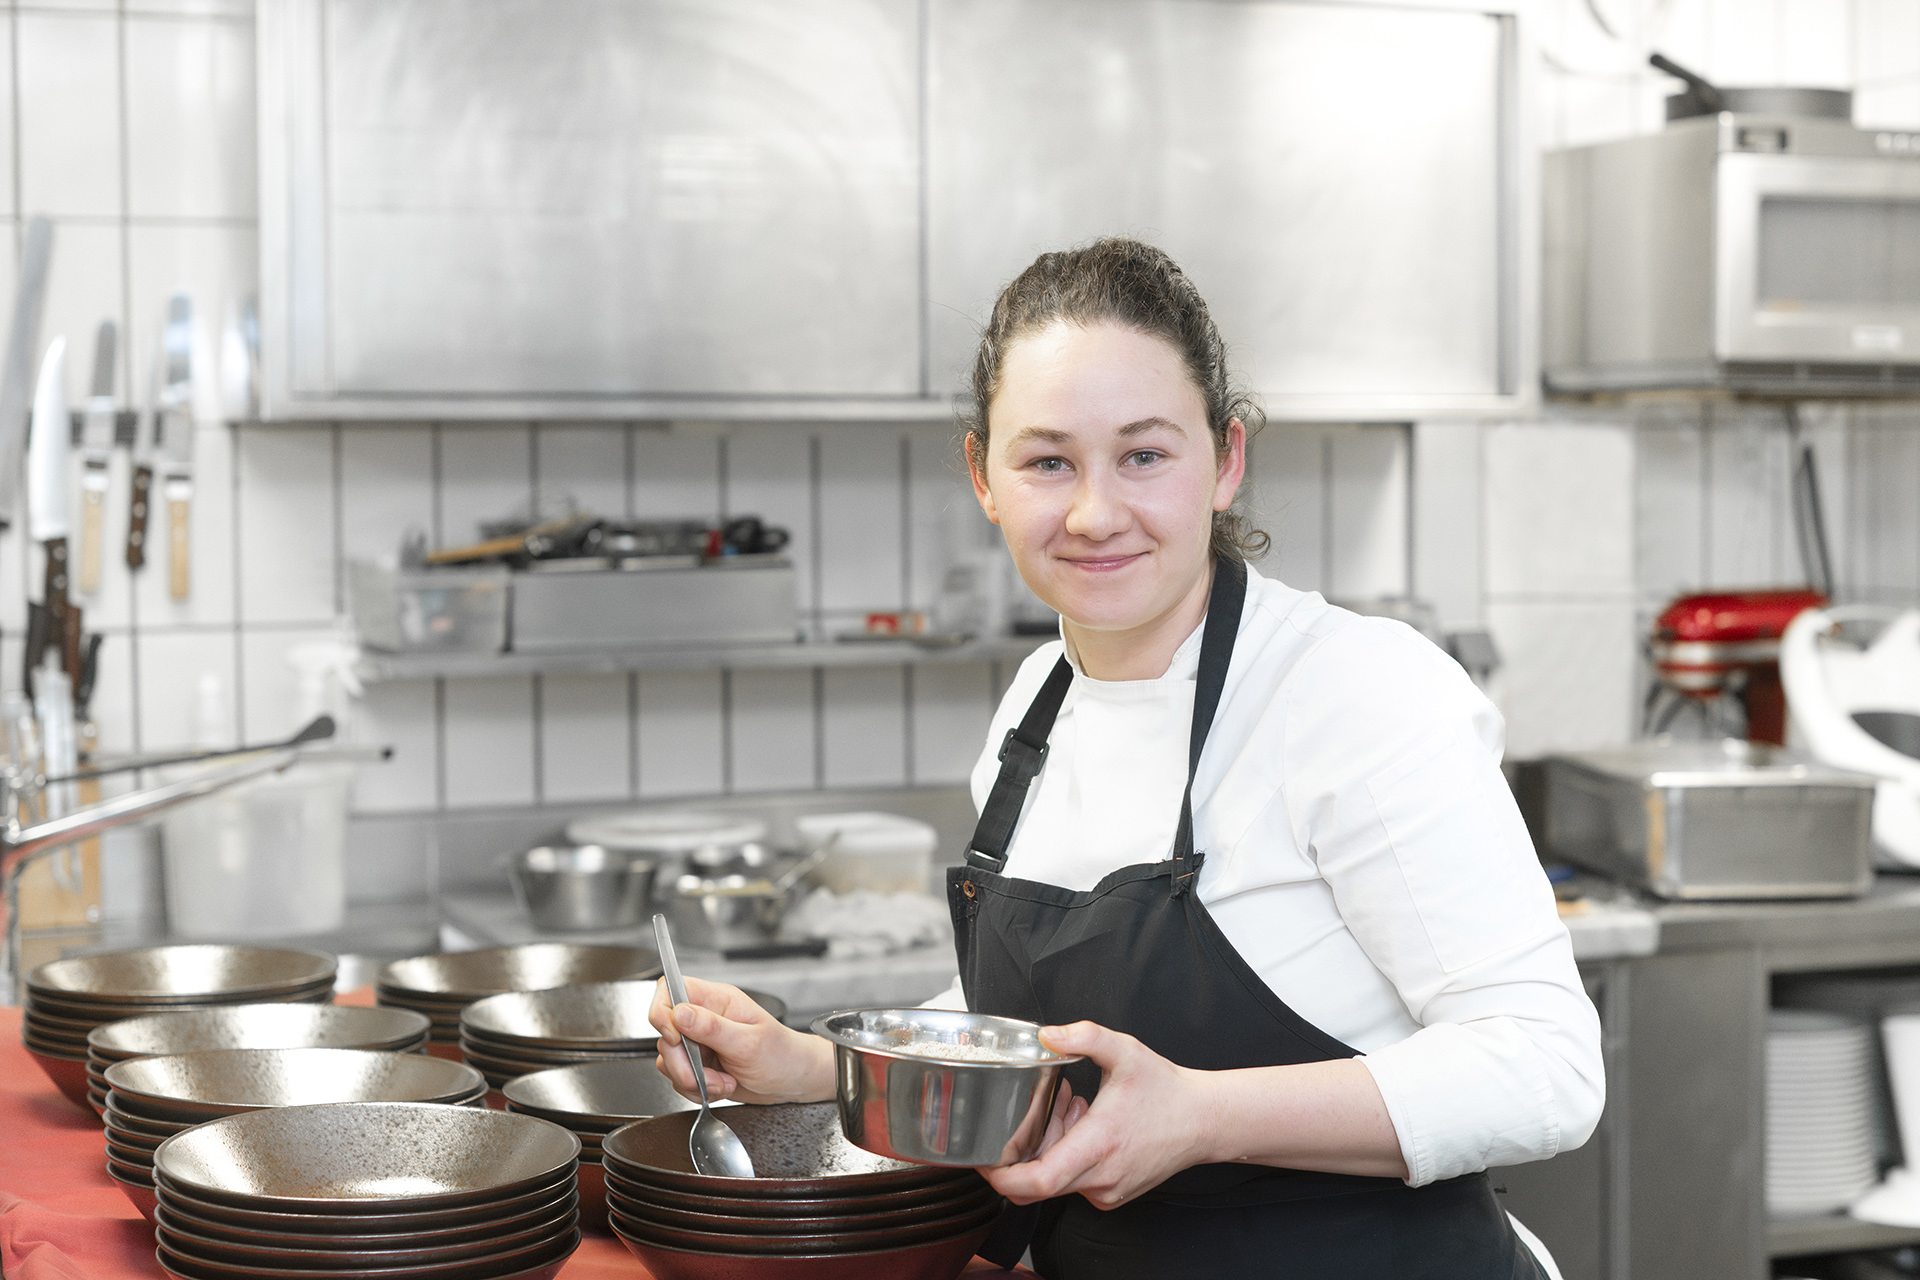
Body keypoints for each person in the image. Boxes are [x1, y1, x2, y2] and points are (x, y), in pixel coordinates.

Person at [648, 238, 1603, 1279]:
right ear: (983, 476)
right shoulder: (1037, 701)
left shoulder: (1354, 690)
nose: (1097, 512)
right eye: (1047, 460)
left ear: (1226, 458)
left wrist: (1202, 1114)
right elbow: (1029, 1034)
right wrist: (814, 1069)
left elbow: (1544, 1066)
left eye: (1144, 454)